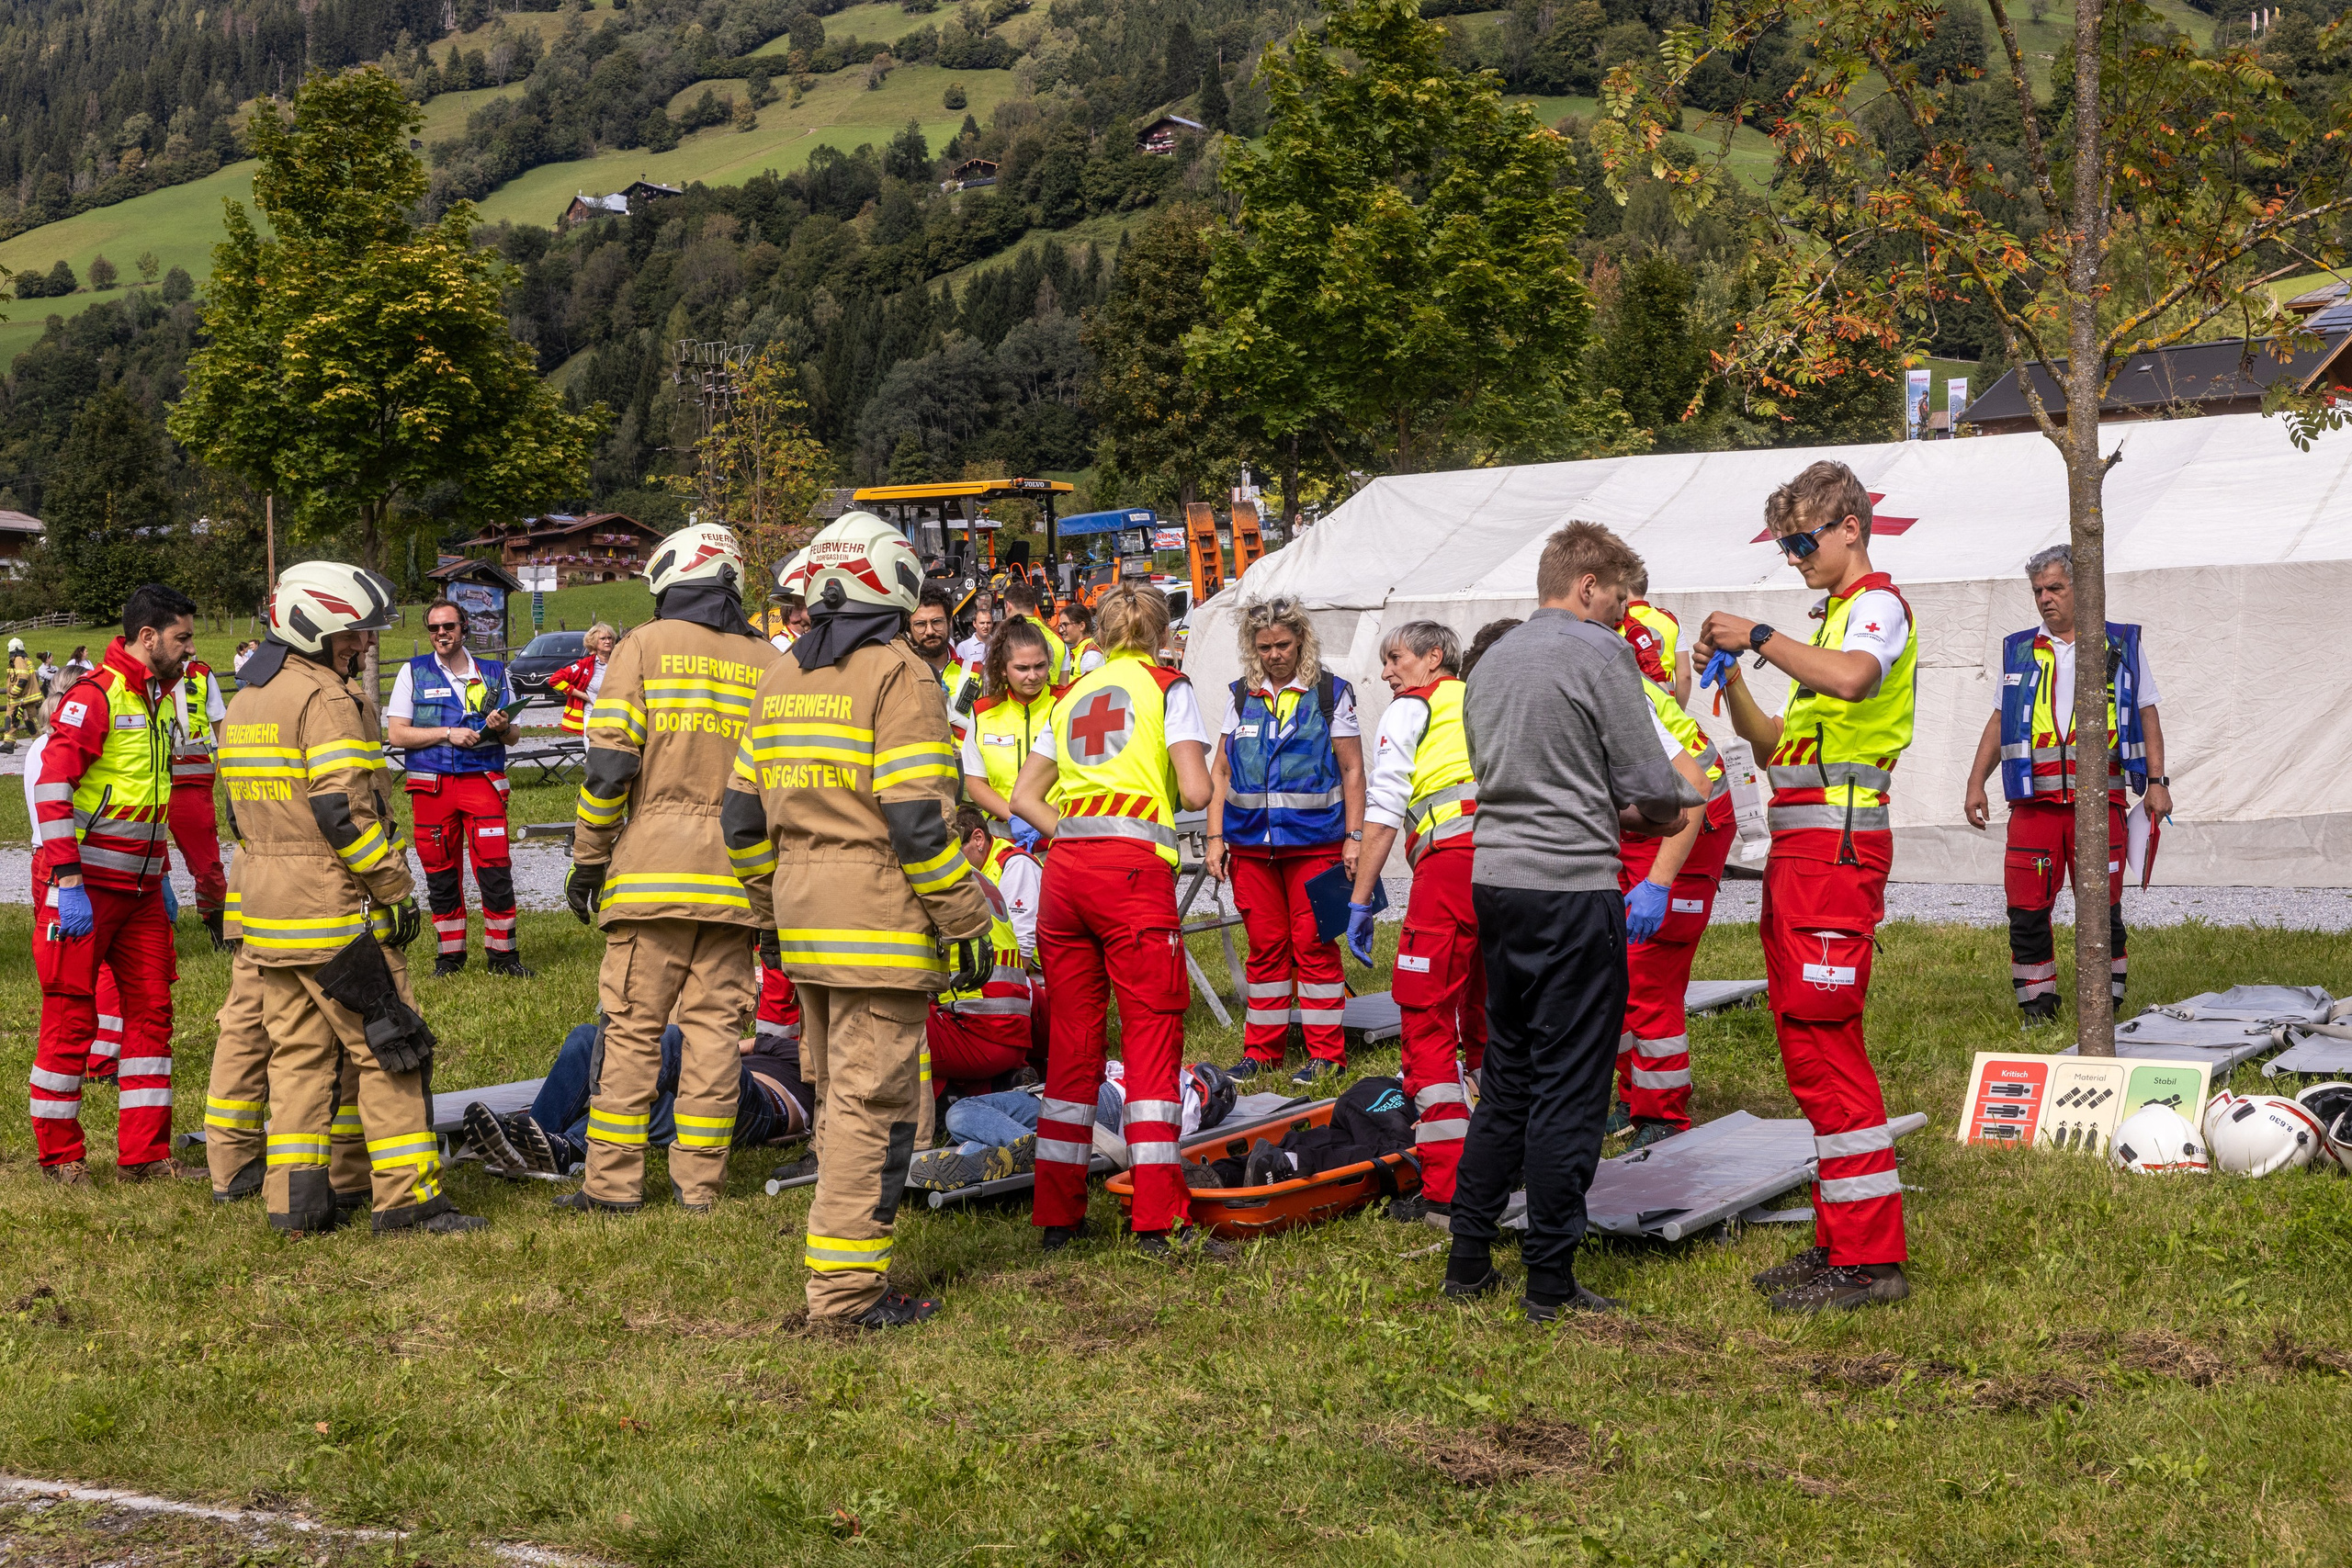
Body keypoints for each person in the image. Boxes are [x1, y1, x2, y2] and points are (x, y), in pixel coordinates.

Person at [723, 510, 994, 1328]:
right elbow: (918, 823)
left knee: (840, 1101)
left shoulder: (781, 675)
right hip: (879, 929)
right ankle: (845, 1294)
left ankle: (838, 1272)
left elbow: (741, 820)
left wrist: (773, 915)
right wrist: (967, 918)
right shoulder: (900, 675)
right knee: (872, 1109)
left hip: (806, 930)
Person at [1445, 523, 1702, 1322]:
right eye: (1620, 598)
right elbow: (1653, 785)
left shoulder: (1489, 661)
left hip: (1497, 884)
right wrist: (1650, 812)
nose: (1625, 614)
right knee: (1572, 1087)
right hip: (1572, 886)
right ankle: (1550, 1279)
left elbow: (1499, 771)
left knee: (1507, 1075)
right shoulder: (1600, 653)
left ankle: (1467, 1258)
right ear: (1587, 584)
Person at [1694, 460, 1917, 1314]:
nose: (1793, 558)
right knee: (1804, 1041)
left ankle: (1869, 1260)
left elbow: (1854, 678)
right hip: (1803, 857)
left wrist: (1758, 634)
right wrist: (1736, 680)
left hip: (1835, 857)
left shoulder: (1877, 608)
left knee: (1826, 1043)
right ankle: (1843, 1242)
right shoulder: (1833, 620)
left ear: (1850, 528)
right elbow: (1774, 744)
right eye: (1785, 545)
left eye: (1802, 541)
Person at [215, 562, 481, 1235]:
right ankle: (408, 1200)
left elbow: (237, 813)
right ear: (316, 627)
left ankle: (297, 1204)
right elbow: (342, 812)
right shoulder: (327, 700)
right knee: (392, 1050)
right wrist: (394, 886)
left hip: (268, 915)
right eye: (353, 632)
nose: (362, 643)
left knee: (298, 1060)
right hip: (333, 916)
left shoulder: (247, 699)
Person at [562, 522, 781, 1217]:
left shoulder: (643, 646)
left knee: (630, 1033)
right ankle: (700, 1187)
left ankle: (611, 1185)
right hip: (738, 883)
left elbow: (610, 767)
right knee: (716, 1038)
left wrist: (589, 858)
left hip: (653, 876)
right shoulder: (769, 660)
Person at [1009, 581, 1221, 1258]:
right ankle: (1159, 1218)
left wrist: (1077, 832)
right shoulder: (1167, 686)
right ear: (1161, 634)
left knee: (1073, 1047)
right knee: (1151, 1043)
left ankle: (1058, 1218)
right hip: (1131, 880)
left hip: (1065, 874)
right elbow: (1196, 790)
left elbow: (1022, 795)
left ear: (1098, 634)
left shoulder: (1071, 694)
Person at [28, 586, 203, 1186]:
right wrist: (68, 880)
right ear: (148, 637)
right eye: (182, 638)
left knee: (152, 1015)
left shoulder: (160, 697)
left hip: (143, 891)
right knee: (71, 1018)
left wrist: (165, 873)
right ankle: (59, 1158)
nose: (191, 649)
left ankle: (145, 1155)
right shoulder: (95, 696)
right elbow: (51, 789)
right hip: (87, 887)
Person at [1962, 544, 2168, 1024]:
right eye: (2038, 591)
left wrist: (2158, 782)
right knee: (2026, 907)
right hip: (2033, 803)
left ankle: (2105, 1005)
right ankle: (2037, 1006)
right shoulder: (2019, 649)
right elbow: (1999, 720)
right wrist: (1975, 783)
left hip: (2101, 802)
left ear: (2083, 587)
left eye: (2054, 588)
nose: (2044, 599)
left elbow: (2147, 712)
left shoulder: (2120, 643)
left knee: (2104, 907)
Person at [1345, 621, 1483, 1228]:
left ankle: (1447, 1188)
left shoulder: (1411, 709)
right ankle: (1506, 1160)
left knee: (1426, 1017)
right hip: (1512, 866)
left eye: (1395, 658)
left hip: (1451, 868)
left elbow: (1385, 806)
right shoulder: (1481, 697)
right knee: (1490, 1015)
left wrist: (1360, 898)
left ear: (1433, 657)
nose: (1386, 672)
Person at [1208, 596, 1364, 1086]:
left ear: (1301, 641)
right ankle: (1261, 1053)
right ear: (1252, 648)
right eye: (1264, 647)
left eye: (1283, 645)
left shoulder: (1331, 693)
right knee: (1265, 949)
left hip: (1316, 845)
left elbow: (1353, 770)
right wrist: (1214, 837)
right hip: (1251, 849)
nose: (1274, 655)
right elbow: (1221, 772)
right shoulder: (1241, 696)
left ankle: (1326, 1056)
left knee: (1314, 947)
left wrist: (1354, 837)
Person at [1612, 623, 1736, 1148]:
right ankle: (1630, 1096)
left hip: (1692, 822)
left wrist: (1659, 884)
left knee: (1648, 974)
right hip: (1647, 818)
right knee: (1615, 968)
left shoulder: (1612, 691)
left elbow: (1696, 789)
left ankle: (1662, 1115)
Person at [466, 1018, 815, 1179]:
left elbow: (731, 1047)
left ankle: (551, 1145)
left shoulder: (809, 1057)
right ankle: (542, 1142)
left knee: (676, 1043)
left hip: (760, 1106)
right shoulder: (778, 1044)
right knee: (590, 1038)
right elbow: (735, 1046)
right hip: (702, 1093)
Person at [386, 598, 528, 977]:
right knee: (440, 873)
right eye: (434, 628)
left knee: (495, 870)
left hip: (483, 782)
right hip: (431, 788)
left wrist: (502, 727)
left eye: (448, 626)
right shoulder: (412, 672)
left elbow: (514, 736)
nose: (441, 634)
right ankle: (449, 960)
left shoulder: (494, 672)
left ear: (464, 627)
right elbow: (397, 734)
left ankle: (504, 958)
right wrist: (447, 733)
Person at [927, 808, 1042, 1096]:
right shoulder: (975, 874)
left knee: (890, 1019)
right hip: (1016, 1020)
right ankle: (996, 1085)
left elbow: (1025, 951)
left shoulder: (1014, 865)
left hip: (997, 1018)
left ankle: (943, 1098)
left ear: (978, 838)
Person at [960, 617, 1060, 846]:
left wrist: (1045, 817)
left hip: (1057, 836)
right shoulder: (983, 711)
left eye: (1040, 666)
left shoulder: (1065, 704)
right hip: (1002, 841)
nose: (1033, 676)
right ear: (1002, 669)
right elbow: (975, 782)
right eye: (1022, 668)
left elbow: (1081, 775)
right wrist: (1012, 815)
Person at [166, 648, 232, 947]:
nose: (189, 646)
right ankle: (154, 927)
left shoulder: (202, 675)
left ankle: (219, 925)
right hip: (143, 784)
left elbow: (221, 728)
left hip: (192, 783)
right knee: (140, 862)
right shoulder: (136, 676)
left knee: (207, 864)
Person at [1619, 565, 1691, 705]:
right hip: (1666, 702)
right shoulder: (1670, 620)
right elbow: (1685, 677)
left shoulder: (1617, 620)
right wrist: (1677, 712)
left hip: (1631, 702)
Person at [547, 621, 619, 736]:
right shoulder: (585, 664)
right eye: (603, 638)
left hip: (617, 717)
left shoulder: (620, 662)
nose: (607, 641)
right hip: (592, 717)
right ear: (594, 642)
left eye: (610, 638)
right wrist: (583, 695)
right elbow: (554, 680)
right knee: (591, 747)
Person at [1000, 579, 1074, 686]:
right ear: (1035, 606)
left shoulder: (1003, 637)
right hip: (1050, 696)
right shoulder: (1058, 640)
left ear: (1008, 605)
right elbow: (1063, 686)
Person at [1053, 597, 1105, 678]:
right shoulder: (1081, 653)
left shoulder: (1090, 657)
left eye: (1065, 625)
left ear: (1081, 626)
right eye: (1061, 626)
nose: (1061, 630)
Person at [3, 636, 37, 750]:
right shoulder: (24, 659)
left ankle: (38, 743)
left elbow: (23, 677)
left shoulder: (18, 659)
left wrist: (13, 693)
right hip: (24, 697)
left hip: (20, 697)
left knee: (29, 721)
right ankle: (9, 743)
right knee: (14, 719)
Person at [956, 599, 995, 668]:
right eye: (982, 623)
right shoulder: (964, 647)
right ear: (974, 624)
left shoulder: (998, 644)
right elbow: (962, 671)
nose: (985, 626)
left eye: (988, 623)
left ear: (992, 624)